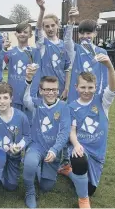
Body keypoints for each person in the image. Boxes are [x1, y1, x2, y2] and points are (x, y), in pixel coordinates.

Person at [58, 54, 115, 208]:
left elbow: (113, 88)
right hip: (80, 147)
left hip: (98, 152)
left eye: (90, 87)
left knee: (91, 189)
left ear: (95, 87)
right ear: (76, 87)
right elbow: (72, 131)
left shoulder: (102, 102)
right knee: (79, 159)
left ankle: (67, 171)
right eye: (83, 87)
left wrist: (110, 66)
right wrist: (77, 144)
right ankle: (83, 200)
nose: (86, 91)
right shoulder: (71, 107)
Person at [22, 65, 71, 208]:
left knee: (46, 186)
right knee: (29, 164)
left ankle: (40, 168)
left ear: (58, 90)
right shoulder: (36, 104)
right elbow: (25, 99)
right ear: (41, 91)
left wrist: (55, 150)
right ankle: (30, 192)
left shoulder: (64, 107)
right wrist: (28, 80)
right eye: (47, 89)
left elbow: (64, 132)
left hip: (53, 150)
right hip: (36, 145)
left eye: (54, 89)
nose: (51, 92)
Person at [0, 82, 31, 209]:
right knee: (0, 156)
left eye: (5, 98)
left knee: (11, 186)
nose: (2, 102)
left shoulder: (21, 116)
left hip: (14, 154)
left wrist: (19, 146)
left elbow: (27, 135)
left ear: (11, 98)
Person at [64, 8, 108, 103]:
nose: (85, 36)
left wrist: (102, 94)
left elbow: (105, 76)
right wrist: (71, 21)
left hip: (93, 95)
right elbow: (67, 41)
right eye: (82, 33)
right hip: (76, 96)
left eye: (88, 33)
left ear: (95, 34)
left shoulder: (102, 52)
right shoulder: (75, 50)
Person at [35, 0, 71, 101]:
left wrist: (67, 88)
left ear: (57, 25)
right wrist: (42, 10)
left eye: (52, 25)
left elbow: (67, 69)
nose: (50, 28)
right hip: (45, 90)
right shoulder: (42, 44)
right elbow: (38, 28)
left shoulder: (64, 45)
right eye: (46, 26)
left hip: (60, 90)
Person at [4, 22, 41, 122]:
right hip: (13, 96)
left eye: (25, 32)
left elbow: (37, 75)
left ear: (30, 35)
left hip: (27, 96)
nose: (22, 34)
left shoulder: (34, 52)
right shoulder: (10, 52)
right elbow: (0, 66)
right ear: (15, 34)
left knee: (28, 126)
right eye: (19, 32)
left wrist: (32, 95)